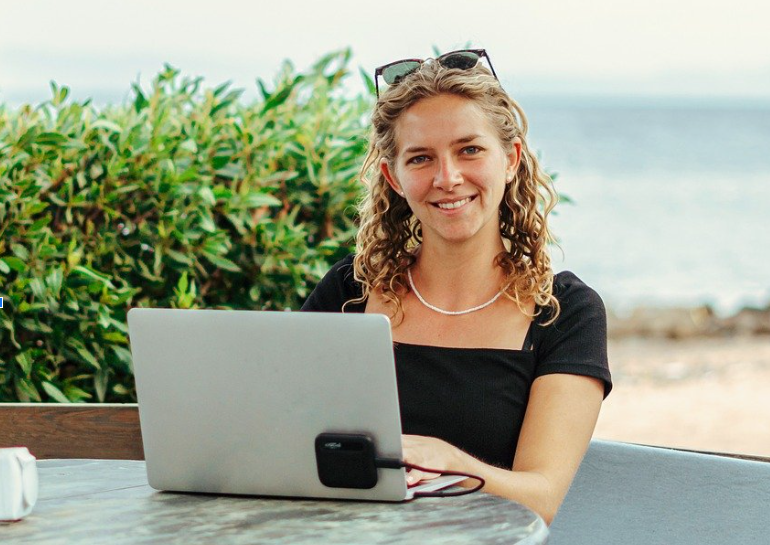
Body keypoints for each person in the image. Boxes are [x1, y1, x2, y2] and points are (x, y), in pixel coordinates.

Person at [301, 49, 611, 524]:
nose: (447, 178)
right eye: (421, 158)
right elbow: (286, 442)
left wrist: (453, 464)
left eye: (469, 150)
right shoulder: (349, 291)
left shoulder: (563, 311)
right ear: (394, 177)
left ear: (510, 160)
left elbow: (541, 498)